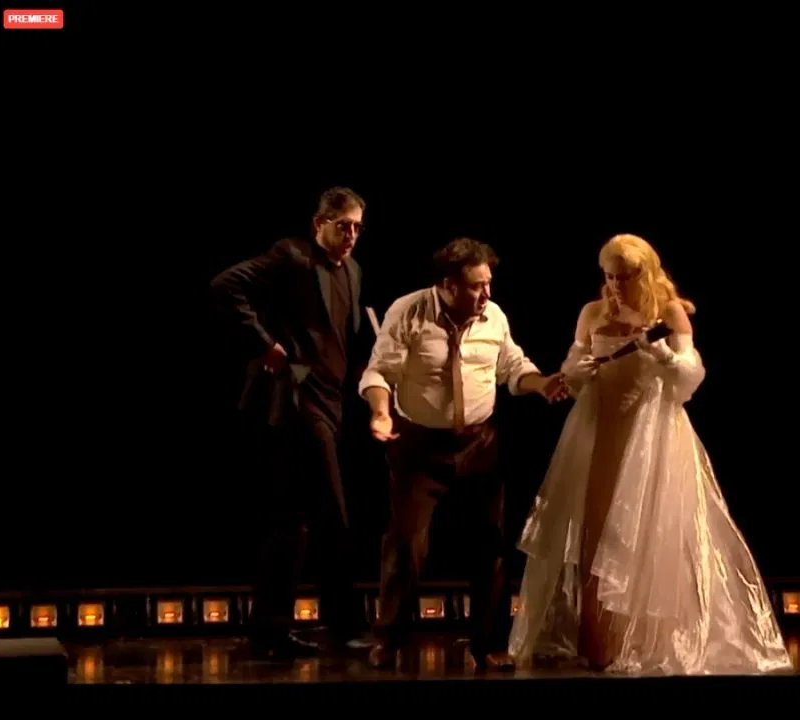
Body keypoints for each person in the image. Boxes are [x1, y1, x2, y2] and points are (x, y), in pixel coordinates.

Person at [507, 234, 792, 676]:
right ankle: (598, 640)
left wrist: (660, 353)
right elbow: (574, 374)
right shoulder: (592, 313)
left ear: (644, 273)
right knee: (593, 528)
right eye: (609, 277)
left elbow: (688, 381)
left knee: (647, 527)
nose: (616, 286)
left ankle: (643, 639)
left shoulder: (669, 312)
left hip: (651, 430)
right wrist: (576, 370)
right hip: (598, 429)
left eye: (624, 277)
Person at [359, 237, 567, 671]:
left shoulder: (494, 316)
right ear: (447, 285)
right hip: (419, 447)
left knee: (491, 542)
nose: (486, 294)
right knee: (405, 543)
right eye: (476, 286)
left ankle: (487, 643)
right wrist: (380, 412)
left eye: (488, 283)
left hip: (479, 442)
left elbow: (513, 366)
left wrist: (541, 384)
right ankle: (390, 639)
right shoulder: (409, 311)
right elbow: (380, 370)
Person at [209, 186, 371, 659]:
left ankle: (269, 631)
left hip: (332, 401)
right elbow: (225, 285)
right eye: (343, 226)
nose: (351, 235)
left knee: (291, 519)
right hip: (297, 397)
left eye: (358, 227)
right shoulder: (292, 257)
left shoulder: (353, 271)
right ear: (319, 223)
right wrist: (265, 345)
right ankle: (344, 626)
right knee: (332, 513)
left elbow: (341, 335)